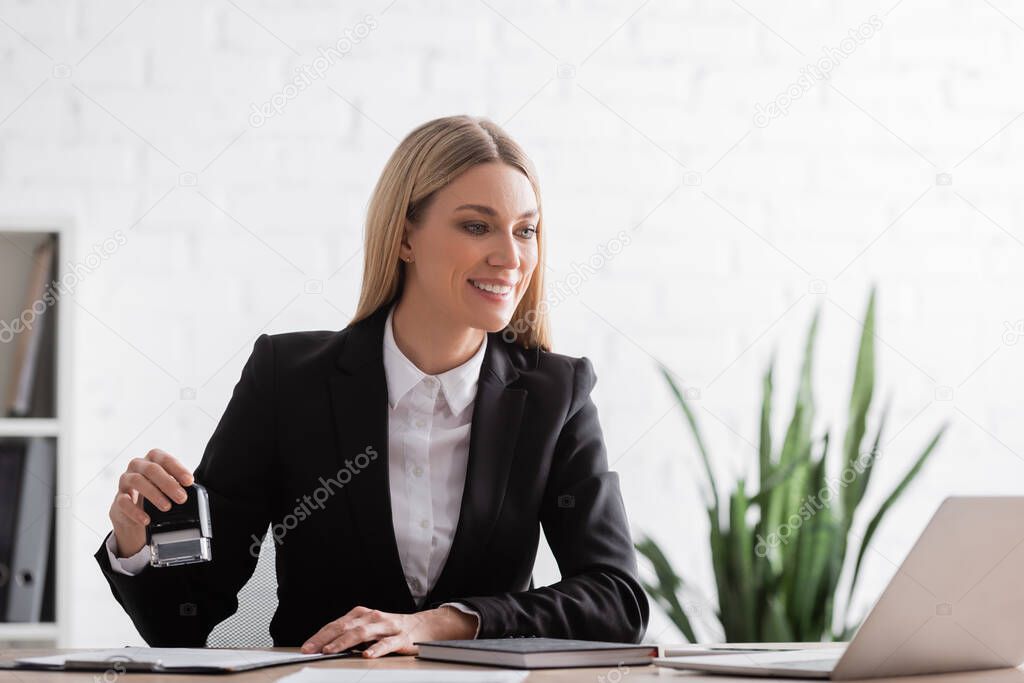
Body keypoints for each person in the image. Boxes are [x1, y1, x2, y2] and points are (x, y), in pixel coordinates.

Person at [94, 115, 649, 657]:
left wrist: (442, 624)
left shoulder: (557, 393)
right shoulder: (287, 379)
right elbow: (182, 624)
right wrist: (135, 544)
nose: (510, 257)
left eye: (525, 230)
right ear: (405, 236)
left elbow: (617, 601)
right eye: (477, 226)